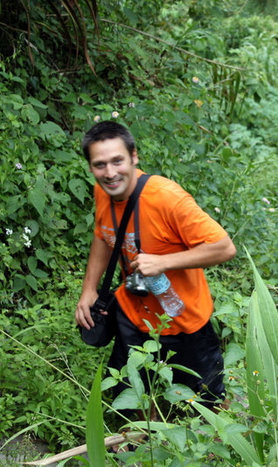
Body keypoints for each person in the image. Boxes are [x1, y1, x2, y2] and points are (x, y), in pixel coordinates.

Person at [75, 121, 236, 409]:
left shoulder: (167, 198)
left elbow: (224, 247)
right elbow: (103, 235)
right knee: (130, 397)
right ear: (90, 167)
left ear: (134, 156)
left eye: (117, 161)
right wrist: (89, 289)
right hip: (132, 311)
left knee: (207, 403)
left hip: (183, 318)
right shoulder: (104, 191)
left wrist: (164, 262)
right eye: (100, 165)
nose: (110, 173)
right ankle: (136, 445)